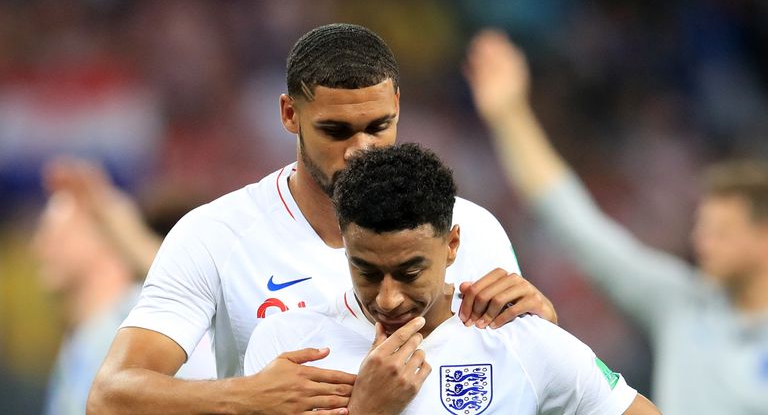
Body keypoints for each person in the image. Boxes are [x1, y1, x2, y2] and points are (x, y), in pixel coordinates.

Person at [88, 23, 558, 415]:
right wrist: (246, 396)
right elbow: (111, 395)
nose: (361, 150)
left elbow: (521, 375)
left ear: (397, 105)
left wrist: (544, 326)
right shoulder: (216, 235)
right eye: (335, 131)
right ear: (290, 114)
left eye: (378, 126)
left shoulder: (471, 228)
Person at [463, 29, 768, 414]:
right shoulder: (680, 302)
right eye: (701, 228)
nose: (701, 242)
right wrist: (510, 115)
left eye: (721, 232)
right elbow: (577, 224)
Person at [244, 143, 660, 414]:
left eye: (410, 272)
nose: (387, 299)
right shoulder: (290, 346)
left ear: (452, 245)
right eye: (366, 271)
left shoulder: (518, 340)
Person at [33, 158, 216, 415]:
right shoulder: (81, 336)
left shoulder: (141, 318)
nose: (40, 246)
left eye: (55, 232)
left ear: (107, 237)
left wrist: (119, 223)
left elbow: (204, 302)